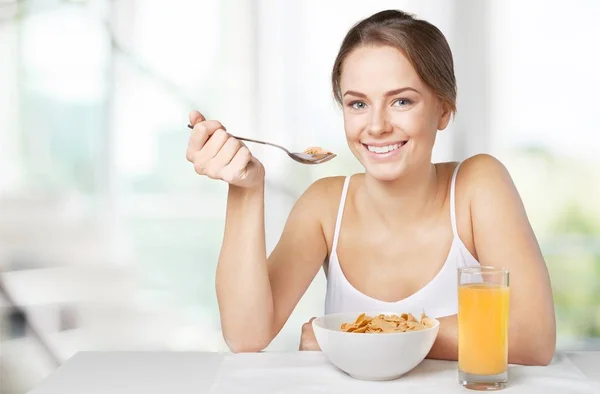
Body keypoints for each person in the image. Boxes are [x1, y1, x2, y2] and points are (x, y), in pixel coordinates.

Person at [185, 9, 556, 365]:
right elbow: (246, 336)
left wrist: (356, 335)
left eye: (401, 101)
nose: (376, 126)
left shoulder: (479, 185)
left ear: (443, 110)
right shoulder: (325, 206)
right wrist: (246, 189)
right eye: (358, 103)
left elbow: (533, 337)